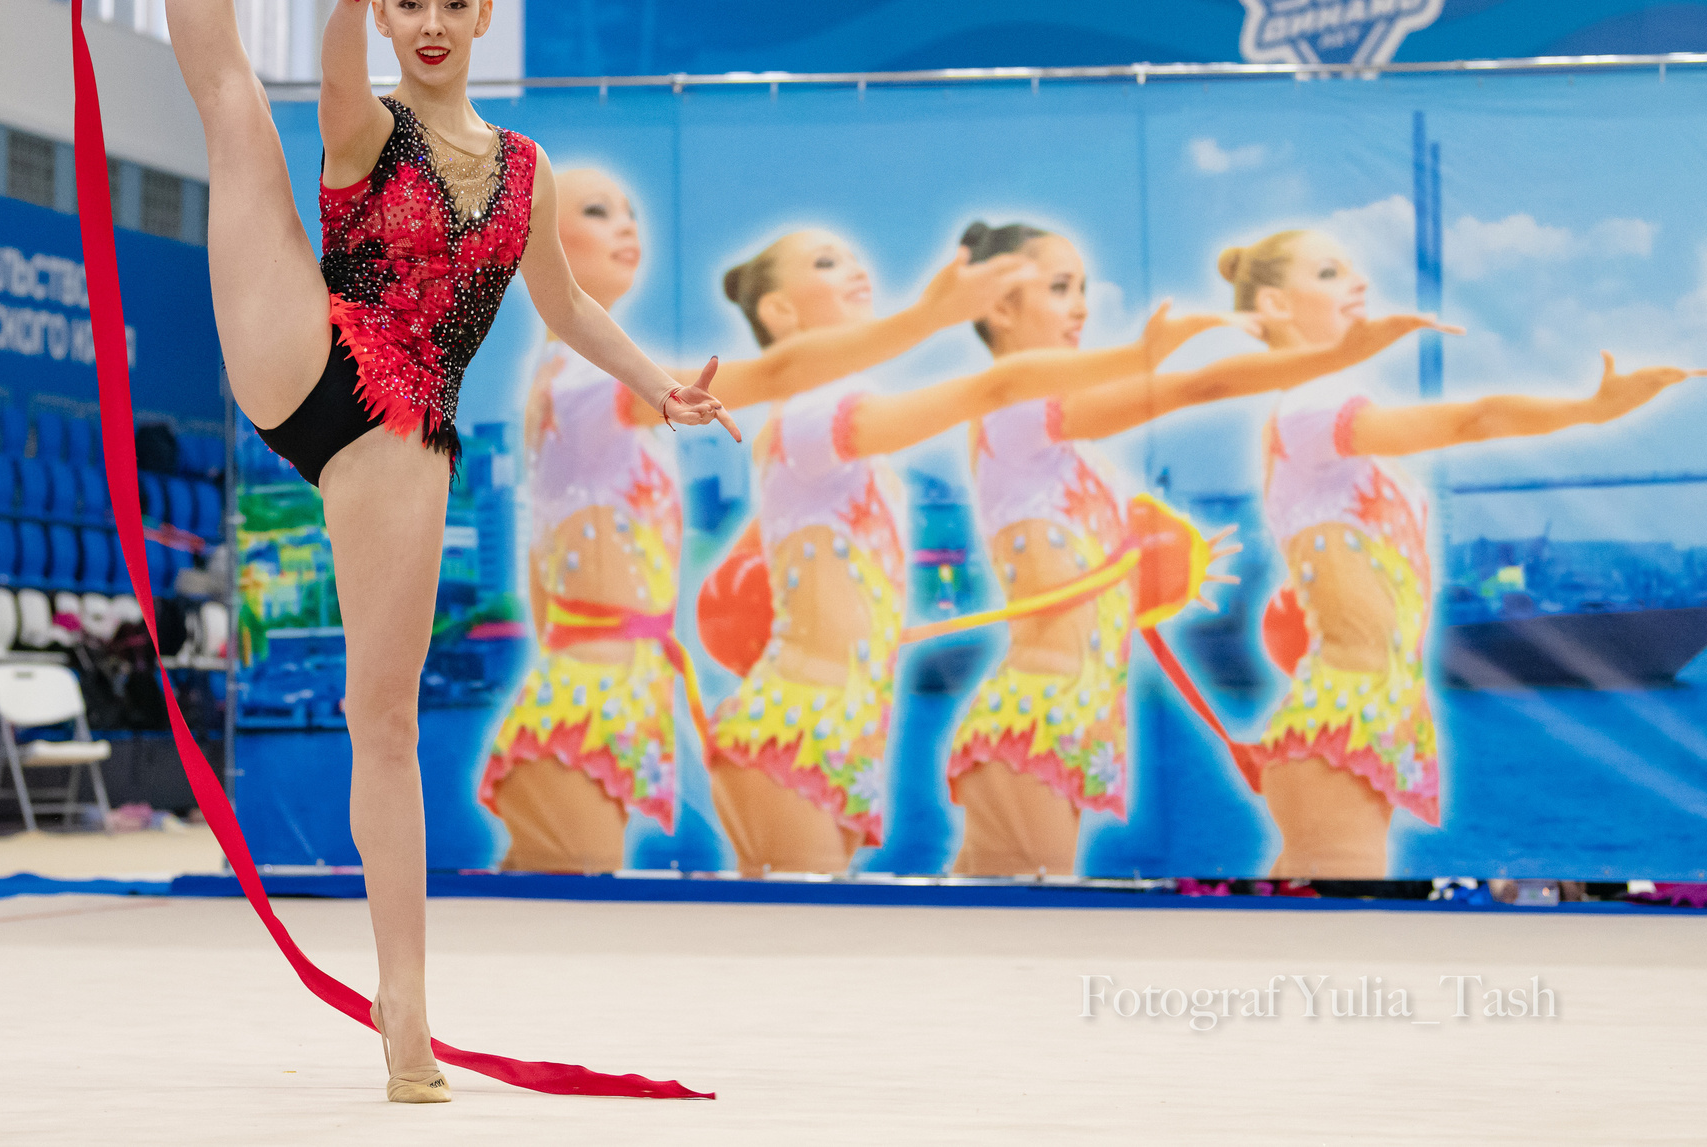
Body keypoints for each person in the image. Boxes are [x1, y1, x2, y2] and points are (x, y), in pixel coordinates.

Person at [150, 0, 736, 1102]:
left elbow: (567, 305)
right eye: (406, 0)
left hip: (405, 431)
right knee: (232, 104)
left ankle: (405, 1016)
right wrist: (344, 5)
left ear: (483, 15)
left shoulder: (525, 167)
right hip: (317, 343)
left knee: (383, 716)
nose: (425, 21)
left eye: (444, 3)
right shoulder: (370, 115)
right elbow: (331, 92)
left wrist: (662, 380)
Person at [480, 172, 1048, 872]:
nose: (627, 224)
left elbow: (549, 575)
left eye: (630, 209)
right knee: (562, 926)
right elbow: (779, 375)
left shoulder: (580, 384)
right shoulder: (589, 385)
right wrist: (929, 318)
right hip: (605, 702)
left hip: (626, 695)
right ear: (536, 238)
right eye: (598, 212)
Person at [695, 229, 1230, 878]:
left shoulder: (841, 438)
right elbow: (998, 391)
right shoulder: (816, 417)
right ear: (779, 310)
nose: (858, 268)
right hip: (801, 726)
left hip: (851, 728)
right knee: (807, 948)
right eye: (829, 262)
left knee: (943, 935)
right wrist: (1141, 358)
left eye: (857, 256)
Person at [940, 221, 1443, 877]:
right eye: (1061, 288)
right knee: (1013, 927)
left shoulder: (1063, 449)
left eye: (1084, 287)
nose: (1083, 305)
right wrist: (1333, 355)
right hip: (1034, 716)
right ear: (1001, 307)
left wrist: (1176, 567)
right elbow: (1191, 388)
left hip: (1071, 717)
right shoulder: (1011, 410)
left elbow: (1112, 577)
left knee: (1001, 921)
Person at [1218, 230, 1700, 877]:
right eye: (1331, 272)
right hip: (1344, 716)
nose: (1357, 283)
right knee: (1328, 924)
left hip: (1373, 711)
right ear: (1274, 304)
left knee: (1320, 921)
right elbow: (1469, 420)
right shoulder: (1310, 407)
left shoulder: (1330, 432)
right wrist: (1590, 410)